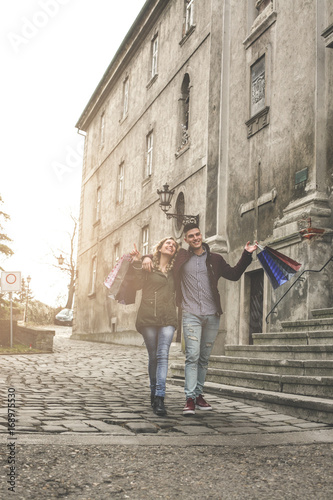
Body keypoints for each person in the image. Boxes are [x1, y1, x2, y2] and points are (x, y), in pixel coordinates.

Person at [143, 223, 257, 415]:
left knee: (204, 358)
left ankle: (198, 394)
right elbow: (161, 256)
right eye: (191, 236)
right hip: (190, 314)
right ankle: (189, 399)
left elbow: (234, 274)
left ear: (201, 236)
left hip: (212, 315)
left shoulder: (215, 259)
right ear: (186, 240)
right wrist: (145, 256)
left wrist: (246, 253)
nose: (195, 238)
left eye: (197, 234)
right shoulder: (181, 257)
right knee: (192, 356)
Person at [130, 237, 179, 417]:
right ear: (160, 247)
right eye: (168, 243)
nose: (171, 245)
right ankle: (153, 390)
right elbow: (136, 284)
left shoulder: (176, 270)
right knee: (153, 356)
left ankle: (159, 397)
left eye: (174, 245)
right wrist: (140, 260)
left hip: (168, 317)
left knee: (162, 355)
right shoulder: (149, 266)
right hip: (148, 316)